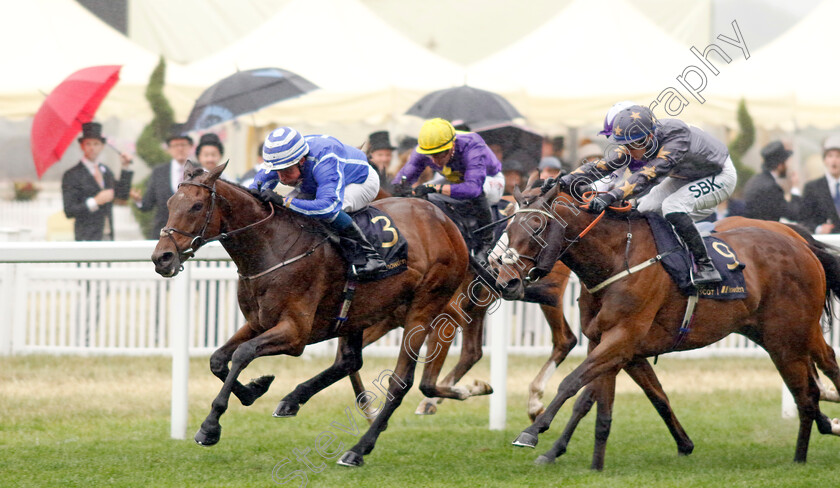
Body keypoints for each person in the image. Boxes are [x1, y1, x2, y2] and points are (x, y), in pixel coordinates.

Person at [559, 105, 737, 284]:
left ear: (649, 137)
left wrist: (611, 195)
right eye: (624, 145)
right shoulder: (638, 141)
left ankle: (706, 266)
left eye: (632, 145)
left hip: (720, 175)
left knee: (672, 206)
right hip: (687, 175)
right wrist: (565, 181)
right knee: (644, 208)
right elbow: (603, 165)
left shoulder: (676, 138)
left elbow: (648, 174)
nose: (628, 150)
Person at [250, 127, 386, 279]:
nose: (281, 178)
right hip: (314, 182)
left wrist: (284, 200)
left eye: (286, 170)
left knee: (327, 213)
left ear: (301, 160)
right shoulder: (281, 158)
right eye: (277, 171)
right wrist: (256, 193)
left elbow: (328, 207)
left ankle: (371, 255)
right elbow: (257, 188)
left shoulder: (325, 160)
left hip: (360, 182)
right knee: (288, 209)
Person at [391, 118, 504, 262]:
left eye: (439, 154)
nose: (434, 160)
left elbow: (473, 189)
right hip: (456, 179)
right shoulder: (423, 150)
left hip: (490, 180)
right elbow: (402, 180)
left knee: (475, 192)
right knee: (421, 195)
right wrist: (398, 190)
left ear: (452, 146)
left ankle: (486, 244)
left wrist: (435, 188)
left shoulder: (473, 144)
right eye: (430, 155)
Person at [61, 122, 134, 241]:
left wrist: (125, 167)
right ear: (82, 146)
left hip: (107, 234)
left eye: (96, 144)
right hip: (86, 236)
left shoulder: (106, 171)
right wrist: (95, 201)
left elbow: (122, 195)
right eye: (88, 144)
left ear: (102, 146)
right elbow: (69, 210)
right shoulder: (72, 175)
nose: (92, 148)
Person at [130, 124, 196, 239]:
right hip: (163, 234)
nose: (179, 148)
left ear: (190, 147)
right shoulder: (159, 172)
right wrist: (138, 200)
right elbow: (147, 204)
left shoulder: (199, 172)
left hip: (190, 235)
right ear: (169, 149)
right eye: (175, 145)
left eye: (183, 145)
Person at [742, 140, 801, 222]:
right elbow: (793, 214)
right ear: (780, 165)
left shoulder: (753, 181)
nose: (787, 166)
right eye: (786, 163)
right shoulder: (771, 188)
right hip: (765, 233)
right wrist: (795, 187)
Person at [801, 135, 840, 234]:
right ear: (825, 160)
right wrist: (819, 229)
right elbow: (804, 221)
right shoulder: (812, 188)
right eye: (830, 156)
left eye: (838, 156)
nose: (834, 160)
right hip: (825, 244)